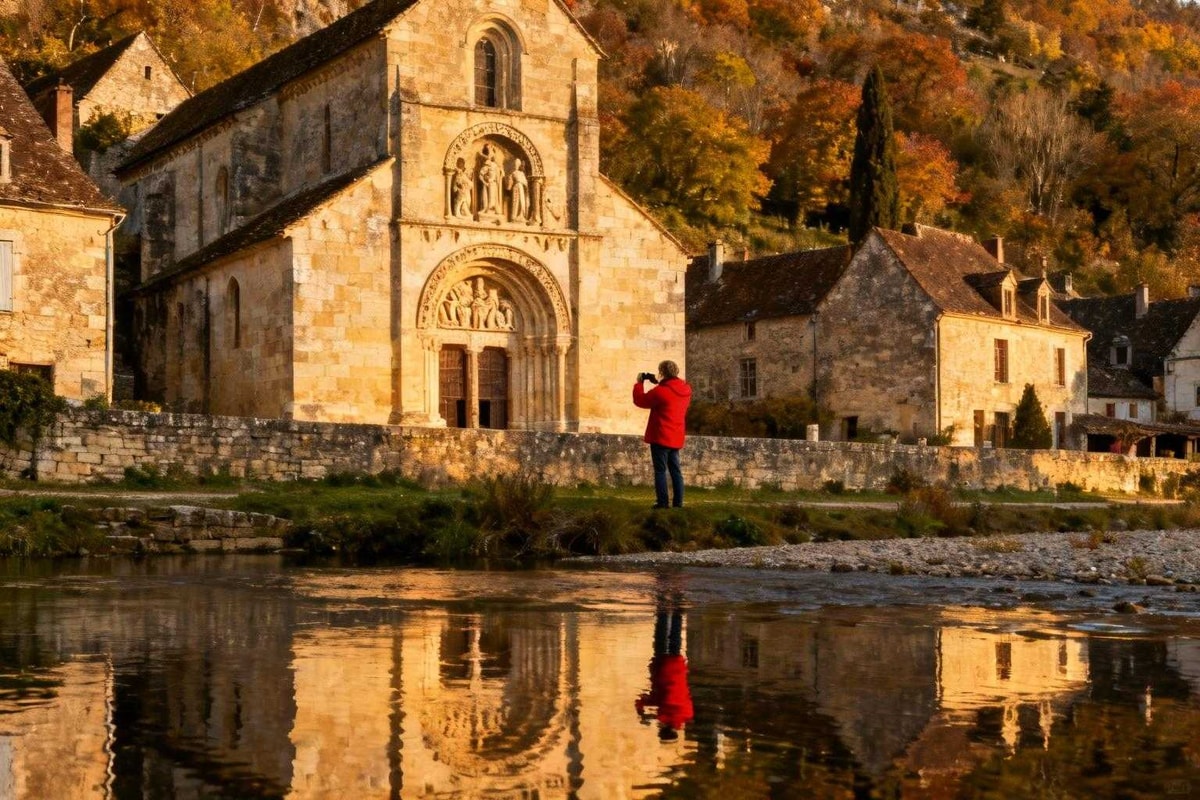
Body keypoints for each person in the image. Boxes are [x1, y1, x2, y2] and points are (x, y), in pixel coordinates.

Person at [635, 586, 693, 741]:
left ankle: (677, 606)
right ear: (662, 729)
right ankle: (662, 603)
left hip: (678, 665)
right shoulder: (662, 712)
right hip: (662, 667)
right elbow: (640, 701)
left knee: (675, 637)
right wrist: (643, 715)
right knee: (661, 632)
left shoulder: (687, 714)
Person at [633, 360, 692, 509]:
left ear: (662, 372)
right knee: (676, 471)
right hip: (676, 436)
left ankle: (662, 503)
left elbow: (640, 400)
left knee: (660, 471)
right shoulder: (686, 390)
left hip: (661, 436)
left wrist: (639, 383)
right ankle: (678, 503)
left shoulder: (661, 391)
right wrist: (659, 383)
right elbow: (670, 394)